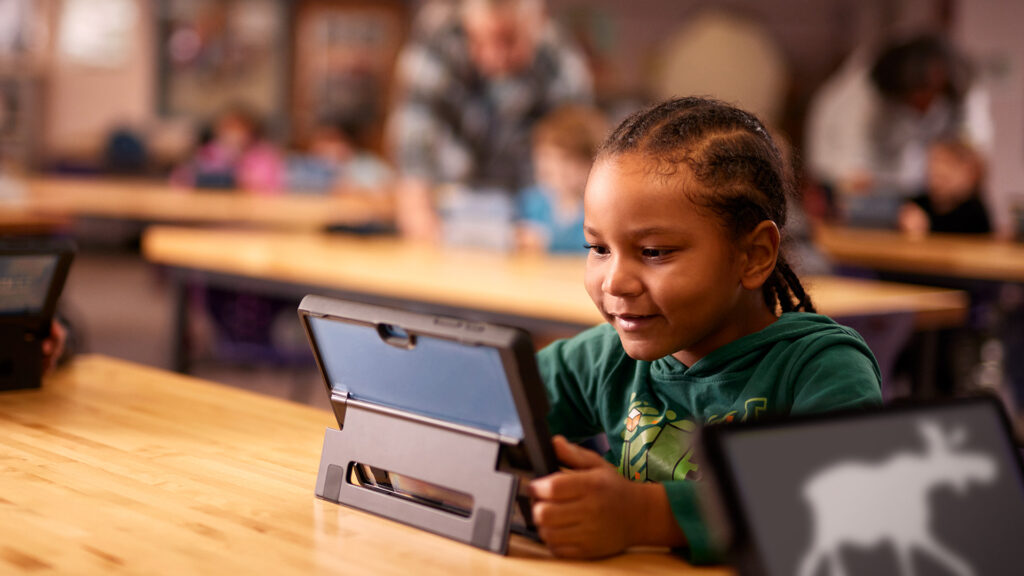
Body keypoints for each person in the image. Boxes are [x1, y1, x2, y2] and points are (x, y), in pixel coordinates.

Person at [528, 97, 882, 562]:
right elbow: (493, 409)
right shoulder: (603, 357)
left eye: (654, 252)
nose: (614, 281)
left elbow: (841, 506)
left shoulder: (820, 367)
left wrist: (645, 515)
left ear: (753, 255)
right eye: (598, 248)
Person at [386, 0, 593, 240]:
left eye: (508, 40)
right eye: (478, 41)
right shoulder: (438, 43)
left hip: (532, 212)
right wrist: (419, 216)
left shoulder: (561, 63)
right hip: (455, 204)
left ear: (537, 24)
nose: (494, 56)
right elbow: (414, 142)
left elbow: (580, 151)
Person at [805, 33, 992, 226]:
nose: (925, 107)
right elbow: (848, 163)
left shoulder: (961, 86)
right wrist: (853, 180)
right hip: (861, 182)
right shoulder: (863, 93)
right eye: (918, 94)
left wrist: (964, 168)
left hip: (913, 189)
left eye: (933, 93)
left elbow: (975, 143)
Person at [517, 105, 607, 253]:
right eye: (546, 157)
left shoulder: (598, 211)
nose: (554, 168)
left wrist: (549, 243)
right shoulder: (533, 202)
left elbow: (596, 250)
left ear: (590, 164)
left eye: (565, 160)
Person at [898, 137, 991, 237]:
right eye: (934, 163)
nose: (938, 170)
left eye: (949, 166)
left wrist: (925, 228)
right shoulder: (918, 204)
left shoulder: (973, 211)